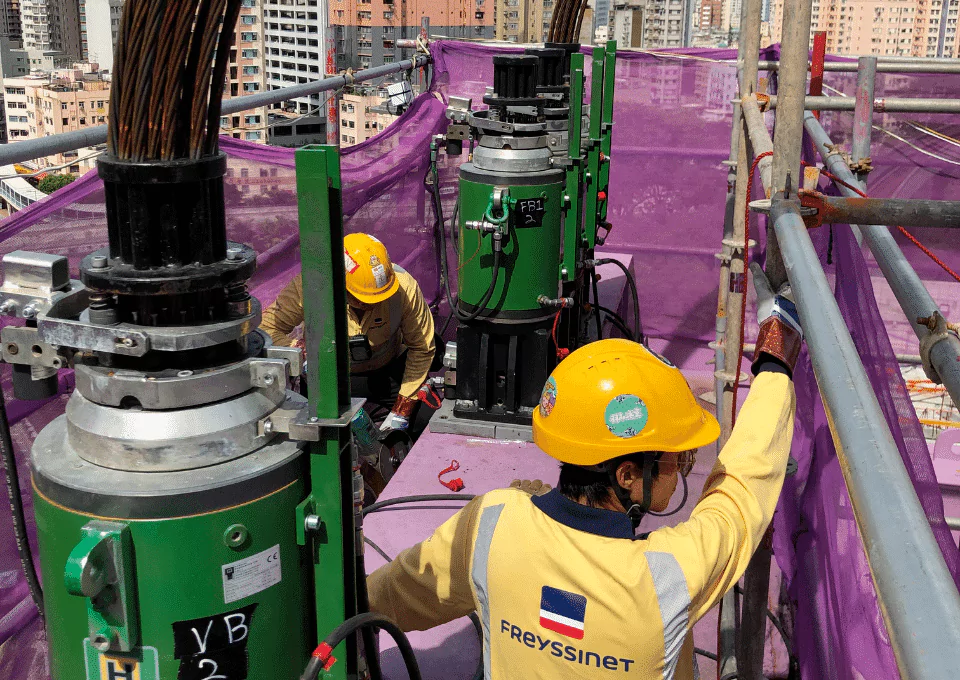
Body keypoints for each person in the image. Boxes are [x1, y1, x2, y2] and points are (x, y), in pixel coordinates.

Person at [366, 263, 800, 679]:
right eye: (677, 458)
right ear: (626, 475)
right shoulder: (671, 575)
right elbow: (742, 487)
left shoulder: (492, 524)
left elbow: (394, 594)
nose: (682, 468)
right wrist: (776, 357)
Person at [260, 232, 437, 432]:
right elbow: (267, 328)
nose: (373, 304)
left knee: (428, 418)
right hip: (330, 375)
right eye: (362, 298)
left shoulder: (404, 288)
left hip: (389, 371)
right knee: (319, 436)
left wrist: (402, 411)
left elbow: (422, 348)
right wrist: (299, 353)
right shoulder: (311, 287)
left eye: (380, 297)